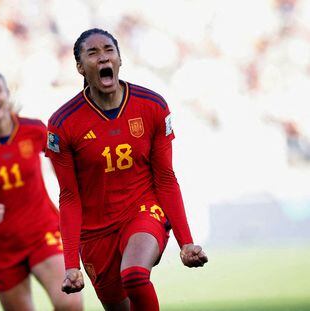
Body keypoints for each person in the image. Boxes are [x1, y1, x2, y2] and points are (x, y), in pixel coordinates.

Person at [46, 28, 208, 311]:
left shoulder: (152, 106)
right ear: (80, 67)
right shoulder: (63, 123)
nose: (103, 58)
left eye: (109, 50)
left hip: (143, 211)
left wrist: (186, 242)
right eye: (92, 53)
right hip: (95, 233)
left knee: (134, 275)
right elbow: (69, 196)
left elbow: (166, 178)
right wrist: (71, 264)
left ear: (120, 60)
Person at [0, 70, 83, 311]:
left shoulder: (33, 129)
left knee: (70, 303)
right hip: (0, 246)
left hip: (43, 232)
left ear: (7, 94)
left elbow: (64, 162)